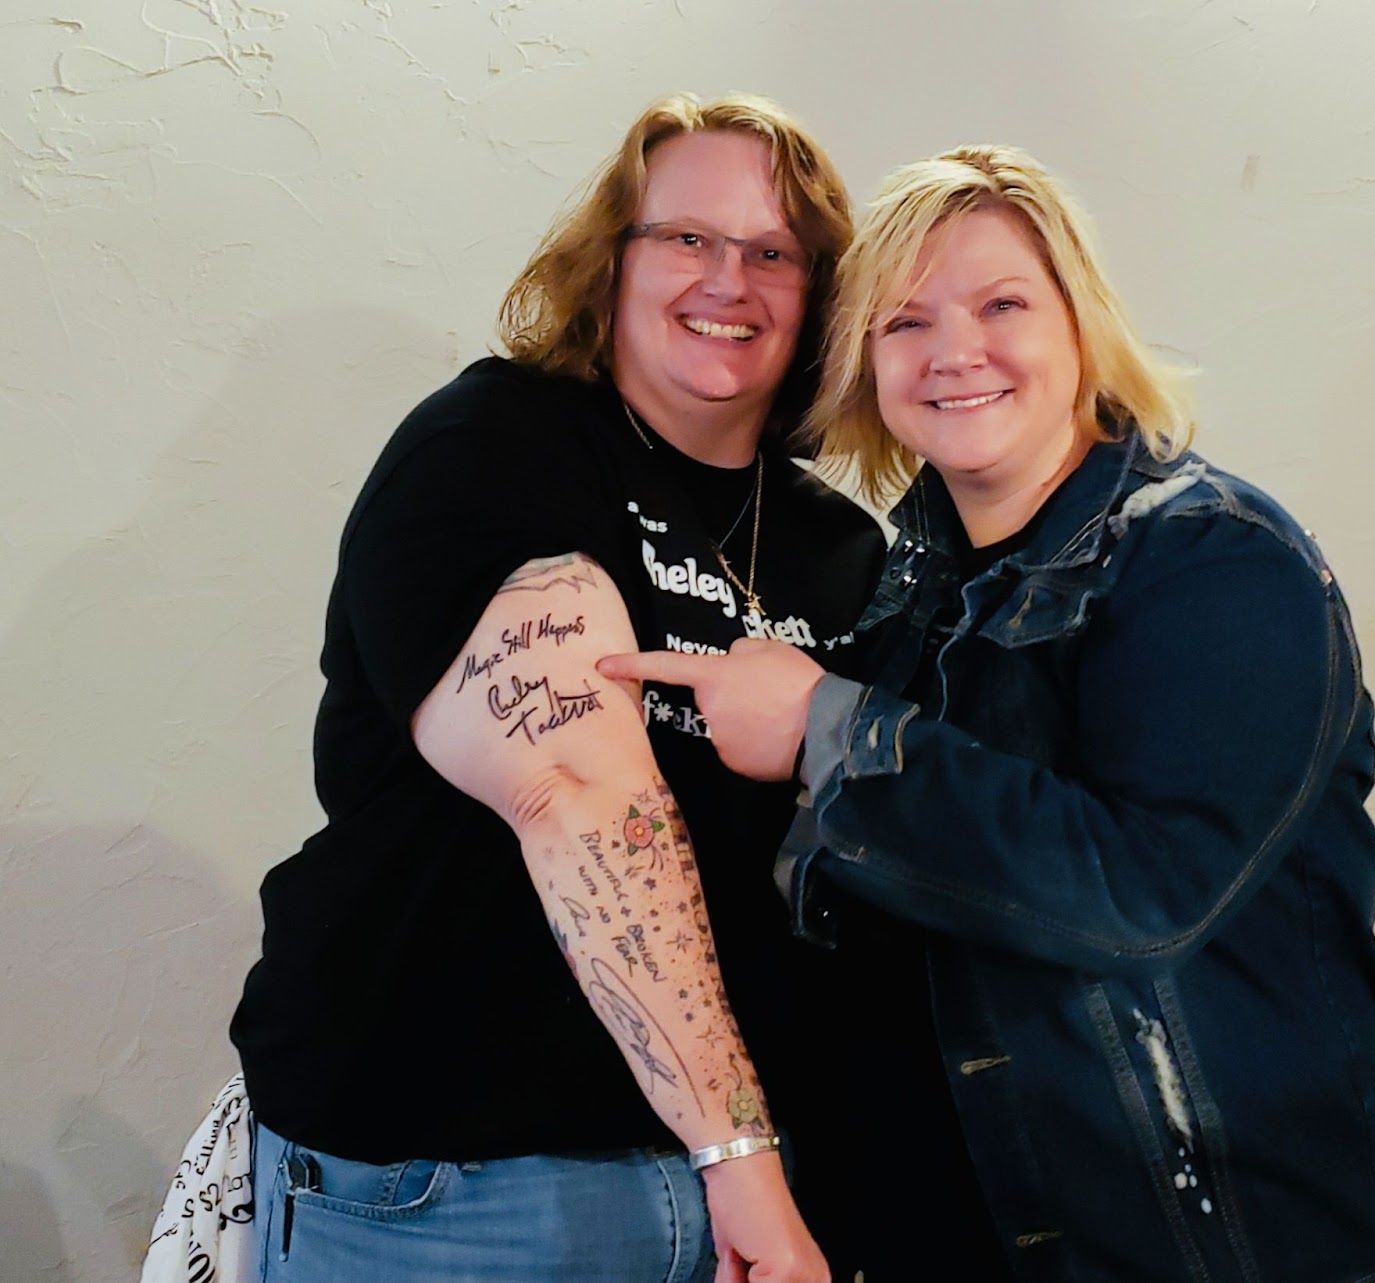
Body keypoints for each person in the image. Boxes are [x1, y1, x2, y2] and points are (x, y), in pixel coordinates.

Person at [600, 145, 1375, 1282]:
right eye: (905, 322)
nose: (955, 352)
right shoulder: (907, 589)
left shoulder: (1214, 561)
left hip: (1207, 1252)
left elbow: (1138, 895)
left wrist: (825, 733)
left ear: (1081, 326)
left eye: (1001, 305)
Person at [227, 92, 885, 1283]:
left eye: (773, 252)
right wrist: (738, 1151)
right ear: (613, 260)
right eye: (687, 237)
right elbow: (574, 791)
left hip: (741, 1187)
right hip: (456, 1187)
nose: (727, 279)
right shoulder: (495, 444)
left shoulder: (842, 547)